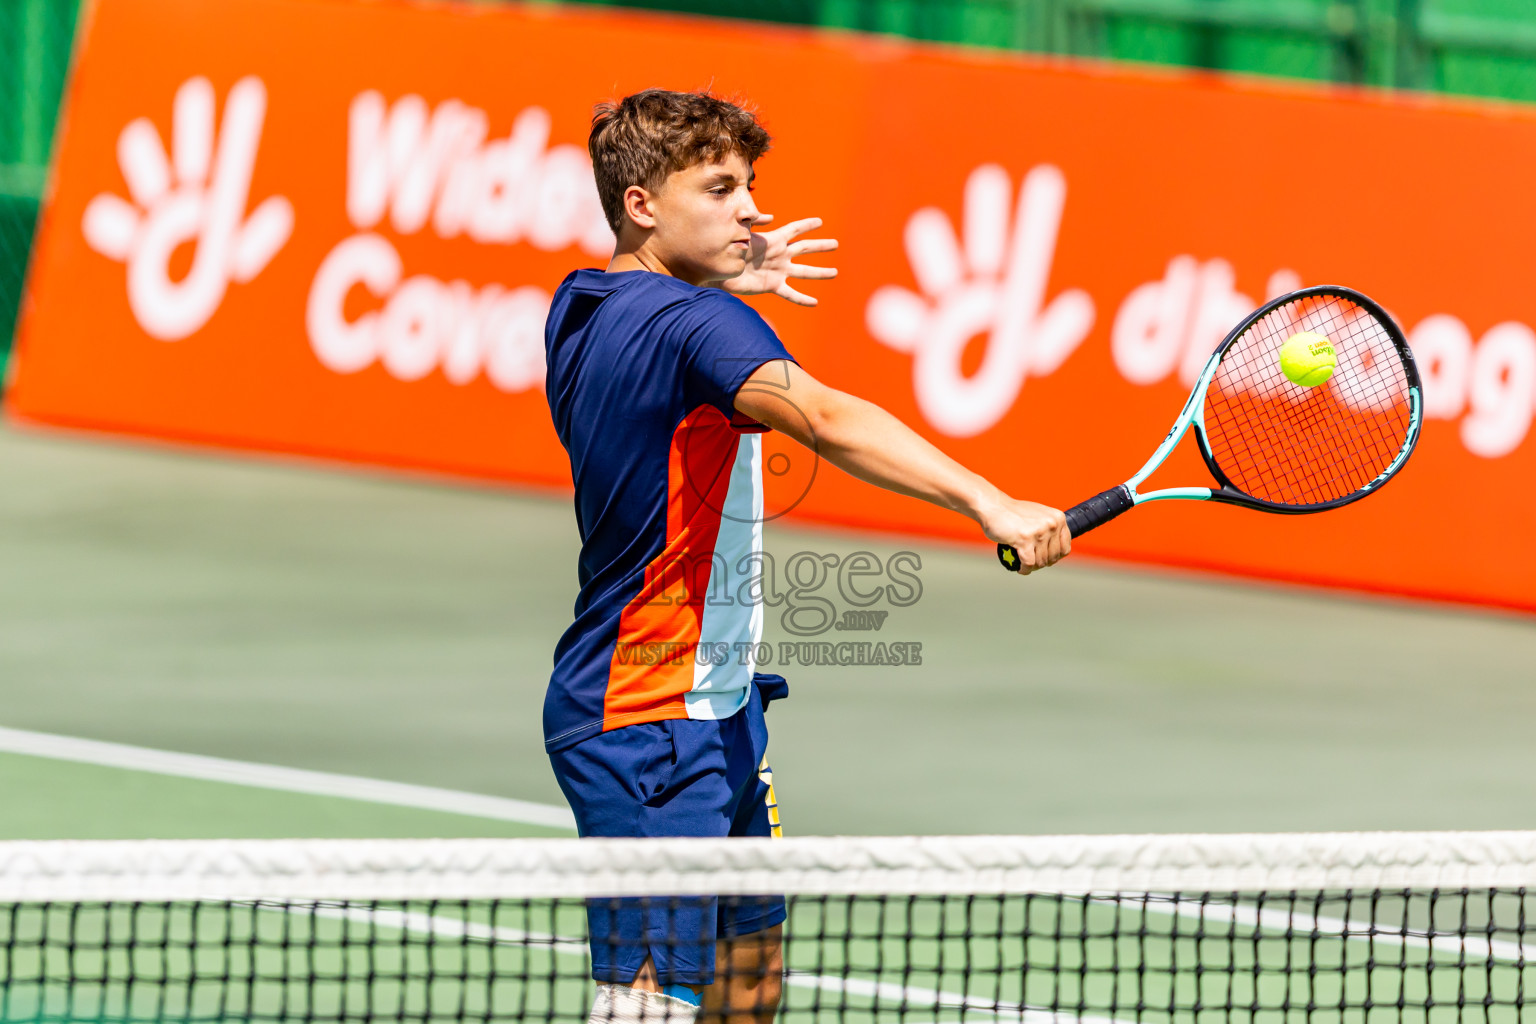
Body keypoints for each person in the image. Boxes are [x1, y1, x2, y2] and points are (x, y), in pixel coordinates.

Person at [543, 89, 1070, 1024]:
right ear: (640, 204)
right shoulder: (697, 329)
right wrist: (991, 501)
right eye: (718, 188)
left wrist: (708, 284)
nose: (749, 209)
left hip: (721, 707)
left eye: (749, 185)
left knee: (752, 981)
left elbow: (654, 336)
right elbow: (826, 417)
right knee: (647, 1001)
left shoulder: (581, 307)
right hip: (645, 716)